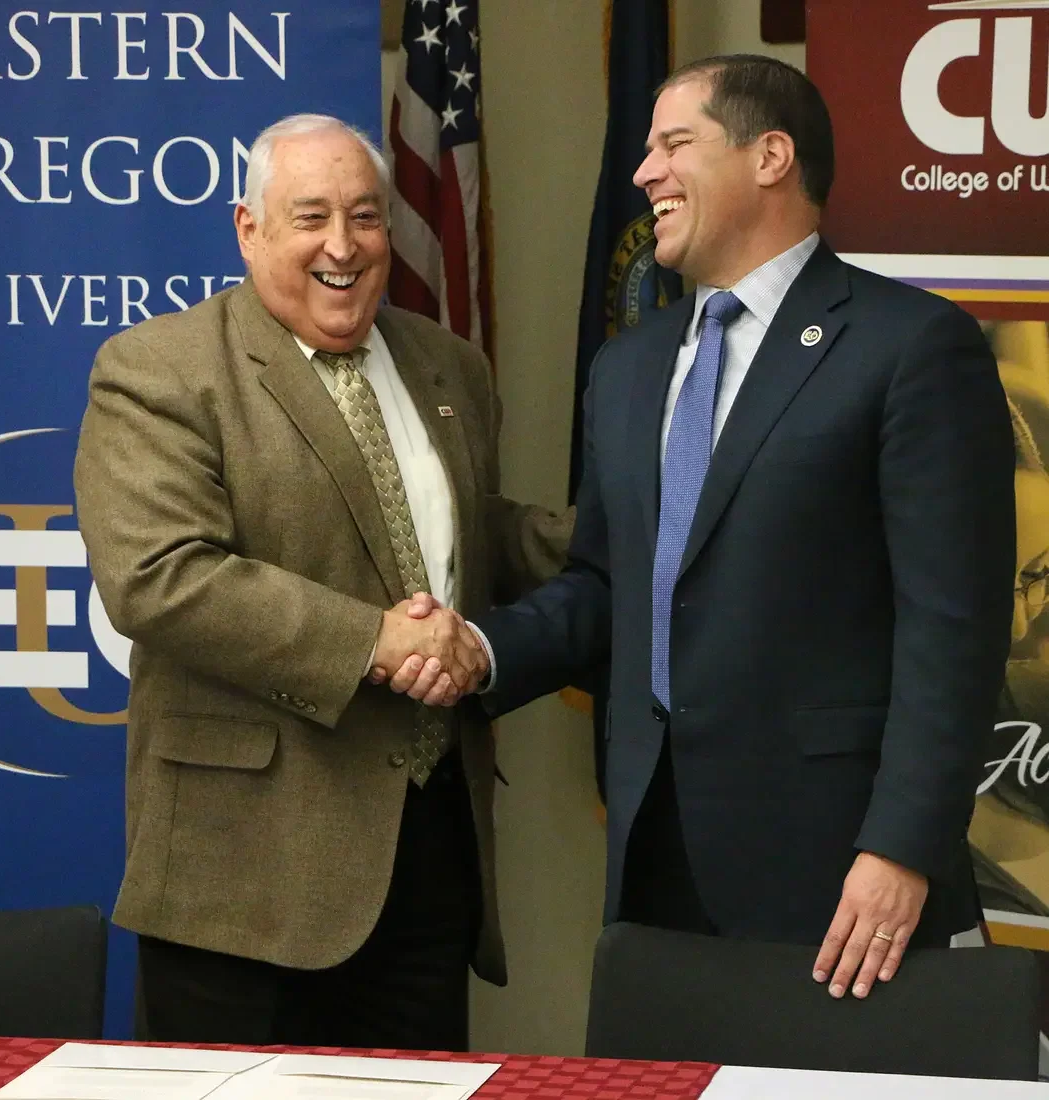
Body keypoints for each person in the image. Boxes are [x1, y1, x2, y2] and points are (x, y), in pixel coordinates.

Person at [384, 55, 1015, 1002]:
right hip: (653, 856)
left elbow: (952, 631)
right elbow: (606, 584)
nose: (645, 173)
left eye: (675, 143)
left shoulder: (911, 348)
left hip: (840, 876)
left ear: (771, 156)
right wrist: (478, 648)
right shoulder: (630, 367)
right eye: (645, 150)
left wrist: (902, 846)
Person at [74, 113, 569, 1049]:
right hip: (247, 880)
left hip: (430, 860)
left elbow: (470, 534)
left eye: (365, 217)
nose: (342, 246)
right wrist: (380, 642)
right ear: (248, 228)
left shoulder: (447, 362)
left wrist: (647, 536)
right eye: (310, 218)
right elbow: (159, 575)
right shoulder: (158, 370)